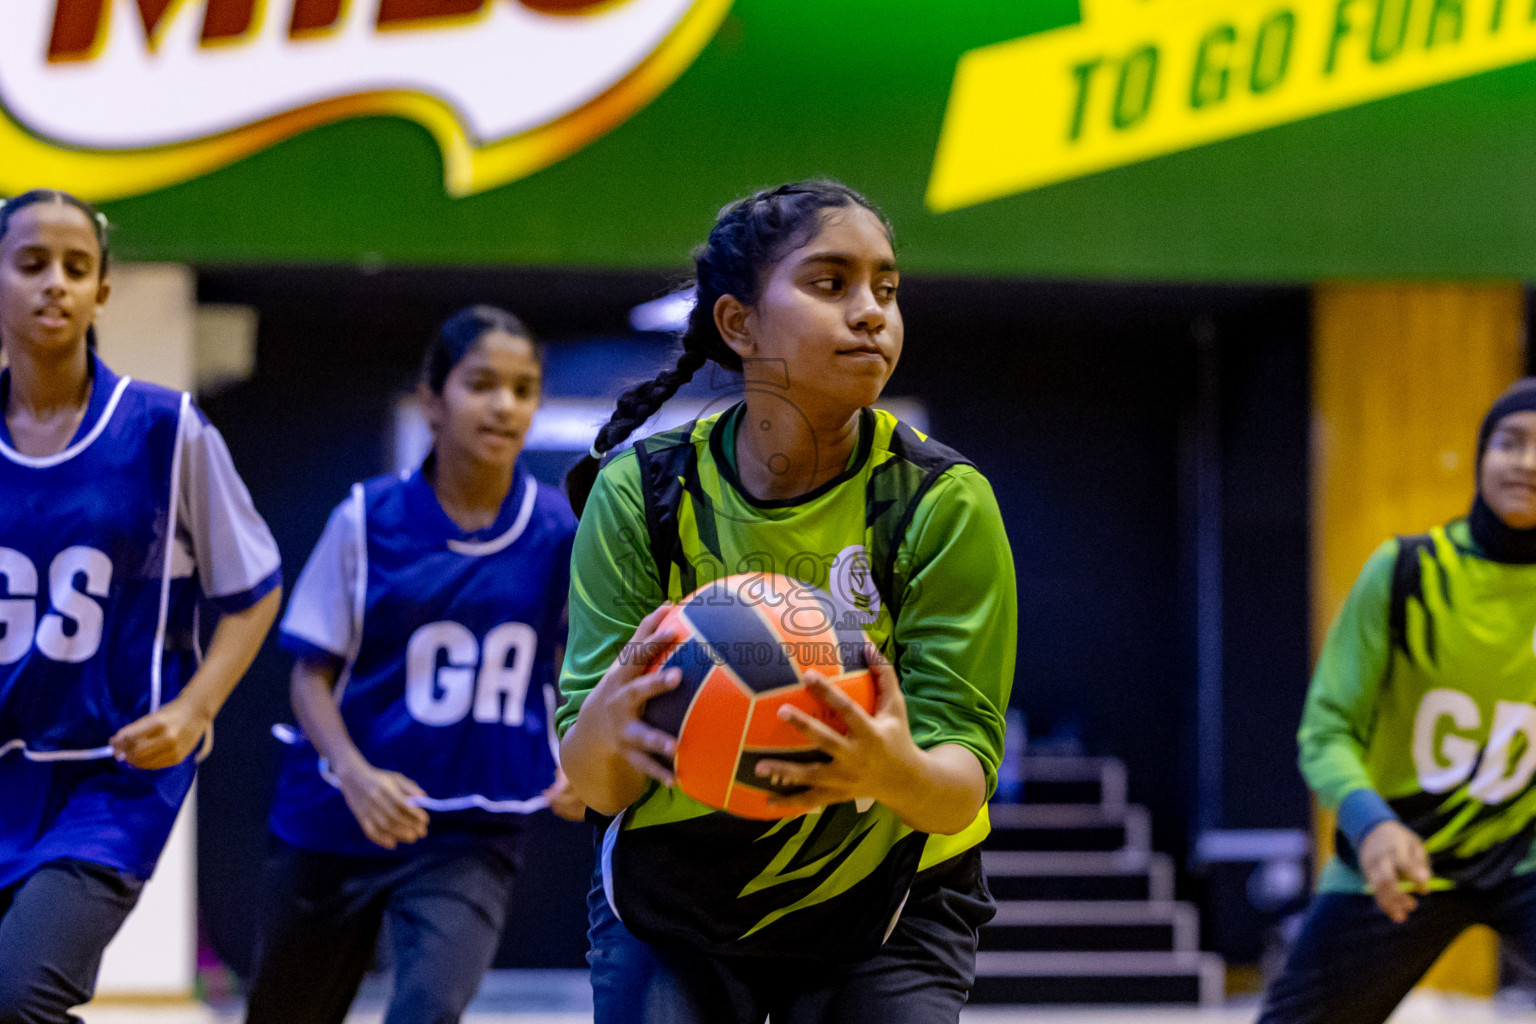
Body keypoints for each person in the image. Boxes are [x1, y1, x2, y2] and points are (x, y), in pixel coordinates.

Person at [557, 181, 1017, 1023]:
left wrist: (892, 770)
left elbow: (962, 783)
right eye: (830, 283)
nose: (871, 312)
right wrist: (607, 726)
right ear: (738, 324)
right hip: (677, 903)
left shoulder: (944, 502)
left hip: (890, 897)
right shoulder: (643, 492)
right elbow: (591, 781)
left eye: (886, 288)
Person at [245, 305, 583, 1024]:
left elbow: (570, 661)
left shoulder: (557, 529)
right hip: (337, 818)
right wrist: (358, 775)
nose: (504, 405)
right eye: (482, 384)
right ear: (433, 399)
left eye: (523, 389)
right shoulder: (366, 518)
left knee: (429, 1008)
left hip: (471, 826)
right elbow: (310, 674)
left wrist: (580, 755)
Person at [0, 189, 282, 1023]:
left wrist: (195, 709)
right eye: (31, 263)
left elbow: (253, 589)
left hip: (110, 779)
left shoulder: (165, 428)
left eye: (76, 267)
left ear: (101, 293)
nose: (55, 283)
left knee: (19, 998)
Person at [1259, 379, 1536, 1023]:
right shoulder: (1407, 570)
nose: (1526, 463)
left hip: (1523, 856)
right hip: (1397, 860)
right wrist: (1370, 822)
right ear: (1479, 457)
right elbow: (1325, 732)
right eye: (1509, 442)